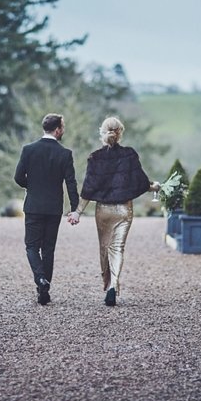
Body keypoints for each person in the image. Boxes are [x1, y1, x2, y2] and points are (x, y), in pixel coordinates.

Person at [68, 115, 156, 306]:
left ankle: (107, 283)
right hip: (124, 210)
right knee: (117, 248)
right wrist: (154, 187)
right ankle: (113, 286)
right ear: (120, 133)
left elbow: (89, 188)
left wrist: (78, 212)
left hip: (103, 211)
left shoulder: (95, 158)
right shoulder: (130, 155)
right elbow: (141, 182)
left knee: (104, 249)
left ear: (102, 132)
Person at [14, 112, 80, 306]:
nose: (63, 130)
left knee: (32, 246)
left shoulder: (28, 150)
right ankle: (44, 287)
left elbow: (18, 177)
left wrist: (32, 186)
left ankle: (40, 280)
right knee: (48, 248)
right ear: (58, 129)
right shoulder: (65, 153)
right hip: (53, 208)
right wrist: (75, 208)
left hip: (33, 206)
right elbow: (71, 183)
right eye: (63, 127)